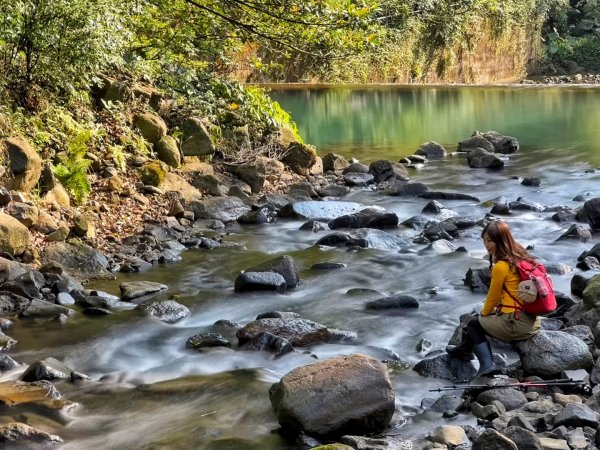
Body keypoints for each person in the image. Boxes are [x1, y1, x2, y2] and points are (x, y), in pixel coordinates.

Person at [446, 220, 541, 377]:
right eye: (484, 241)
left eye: (490, 240)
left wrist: (484, 312)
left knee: (473, 324)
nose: (486, 245)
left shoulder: (501, 266)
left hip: (516, 325)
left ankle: (486, 365)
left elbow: (493, 297)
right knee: (481, 316)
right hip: (532, 320)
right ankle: (464, 350)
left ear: (501, 240)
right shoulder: (522, 257)